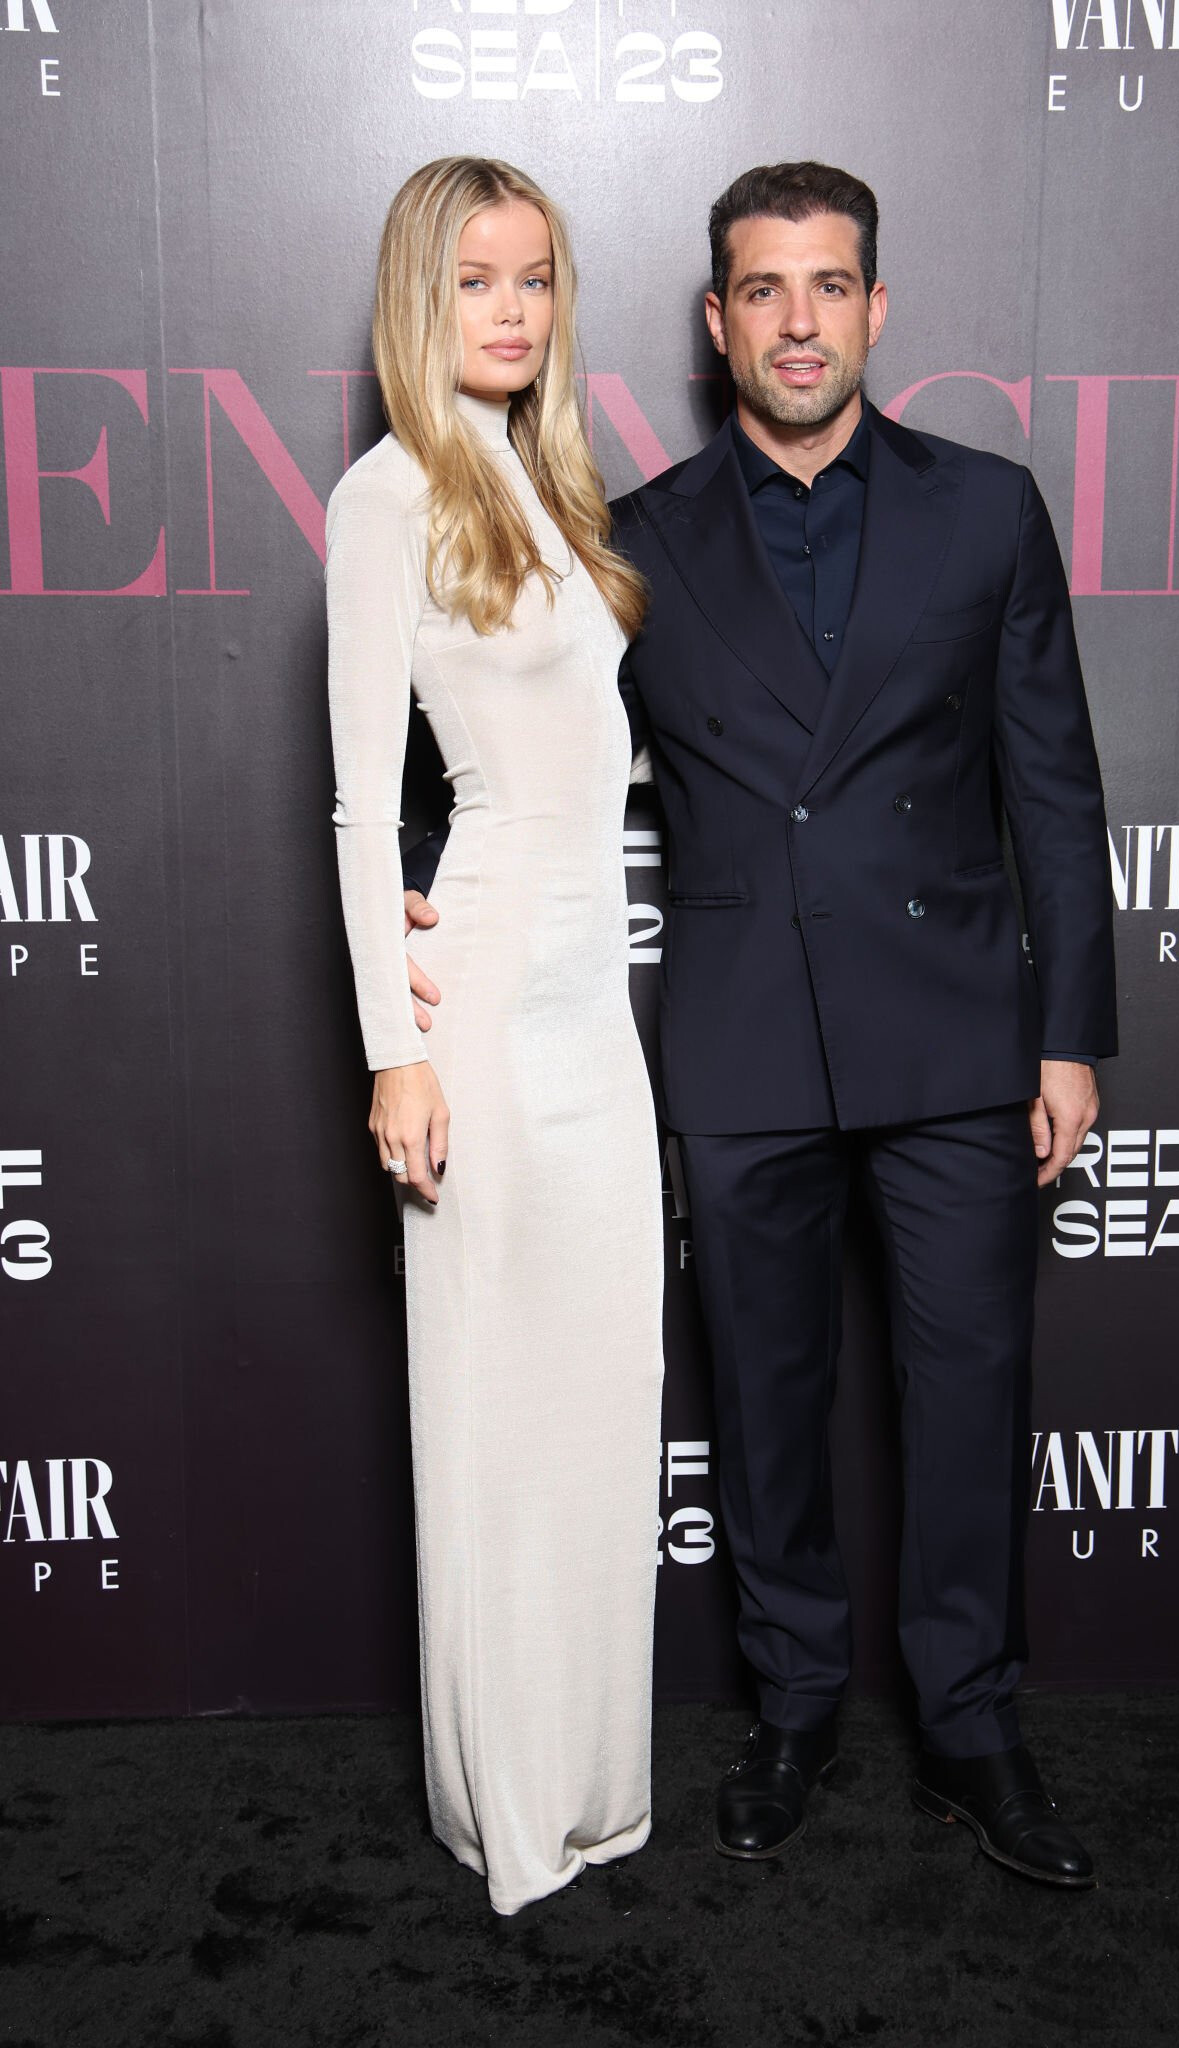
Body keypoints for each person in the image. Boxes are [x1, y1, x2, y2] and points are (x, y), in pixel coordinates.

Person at [401, 162, 1117, 1889]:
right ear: (717, 321)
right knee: (768, 1400)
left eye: (829, 285)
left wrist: (1069, 1033)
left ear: (876, 309)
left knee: (969, 1393)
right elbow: (478, 724)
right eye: (764, 290)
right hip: (738, 1040)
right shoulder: (630, 536)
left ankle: (969, 1724)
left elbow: (1054, 790)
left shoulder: (986, 510)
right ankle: (793, 1706)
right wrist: (418, 894)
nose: (800, 322)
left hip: (955, 1033)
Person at [324, 156, 664, 1917]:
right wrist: (395, 1046)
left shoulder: (546, 477)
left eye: (534, 277)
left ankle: (597, 1784)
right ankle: (506, 1807)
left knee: (598, 1404)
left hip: (595, 1005)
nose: (512, 309)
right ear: (419, 296)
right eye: (475, 280)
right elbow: (357, 804)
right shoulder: (386, 497)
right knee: (492, 1415)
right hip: (487, 997)